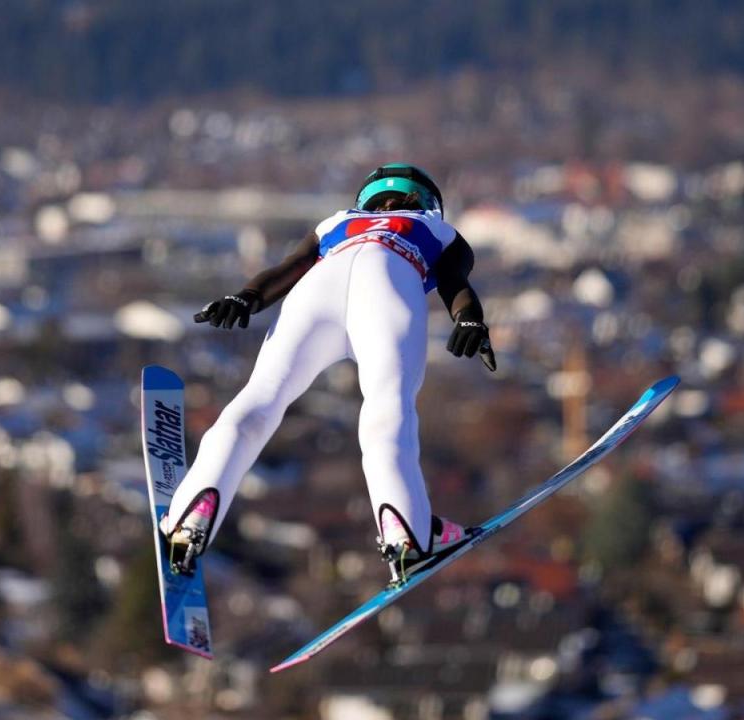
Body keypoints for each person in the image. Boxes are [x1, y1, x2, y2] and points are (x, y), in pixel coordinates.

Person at [161, 163, 495, 582]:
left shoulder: (337, 222)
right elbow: (454, 282)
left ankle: (189, 515)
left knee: (260, 398)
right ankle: (406, 529)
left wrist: (244, 298)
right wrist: (468, 321)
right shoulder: (435, 229)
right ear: (430, 202)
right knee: (386, 405)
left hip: (317, 287)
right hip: (389, 276)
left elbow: (290, 268)